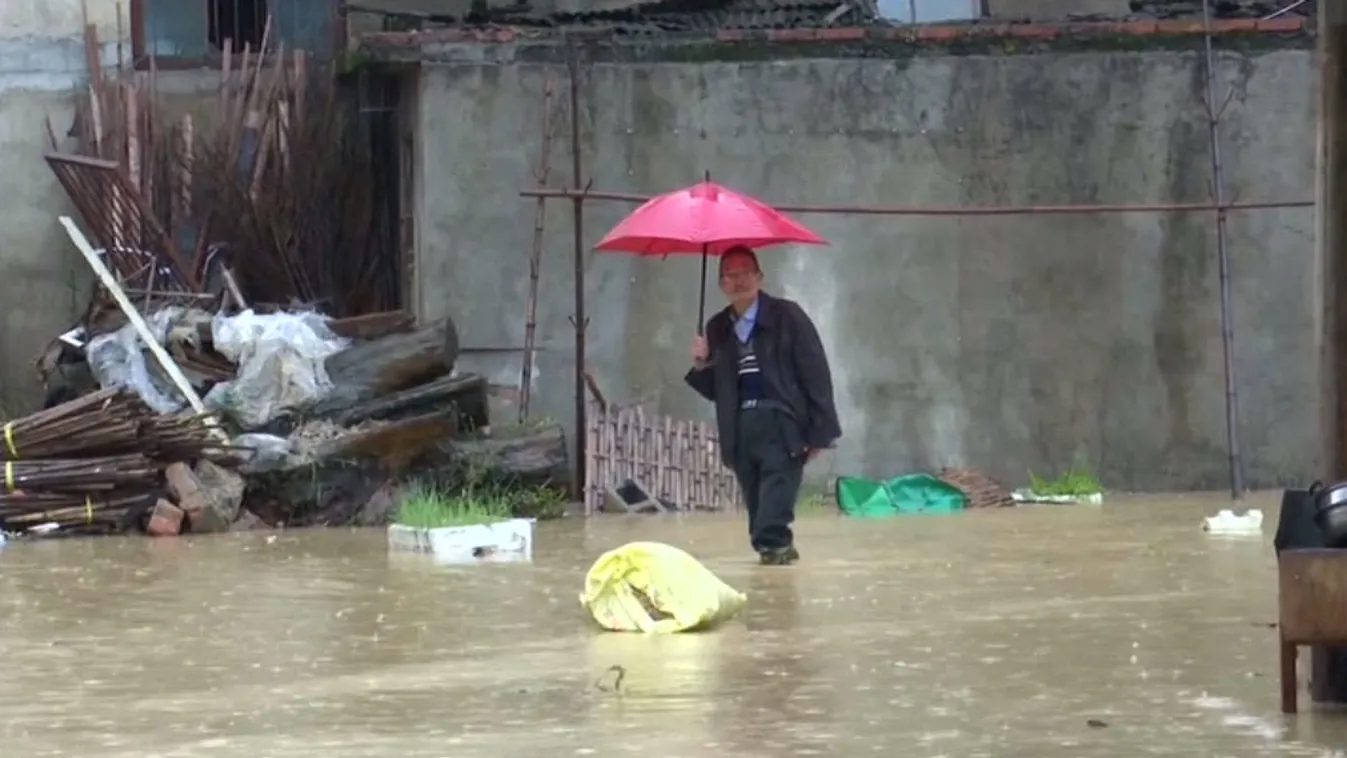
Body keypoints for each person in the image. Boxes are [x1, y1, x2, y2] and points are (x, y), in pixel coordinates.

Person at [684, 246, 841, 565]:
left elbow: (815, 373)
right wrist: (701, 364)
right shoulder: (717, 328)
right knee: (758, 513)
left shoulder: (788, 317)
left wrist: (818, 431)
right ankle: (777, 571)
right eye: (730, 274)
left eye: (745, 272)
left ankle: (777, 566)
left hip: (782, 422)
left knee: (772, 518)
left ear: (760, 277)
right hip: (740, 425)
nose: (739, 280)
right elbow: (720, 390)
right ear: (721, 283)